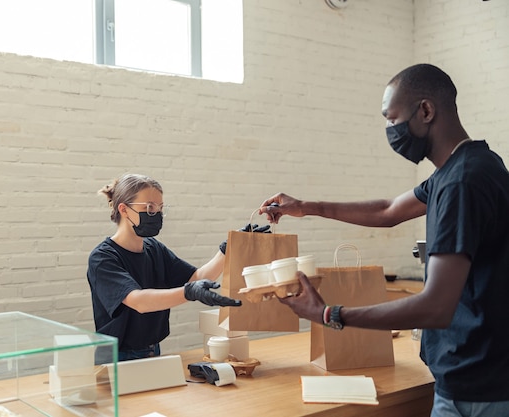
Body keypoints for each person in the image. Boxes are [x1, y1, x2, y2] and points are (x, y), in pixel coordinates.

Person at [259, 64, 509, 417]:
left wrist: (329, 313)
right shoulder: (467, 167)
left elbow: (435, 307)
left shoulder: (461, 183)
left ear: (426, 110)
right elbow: (388, 210)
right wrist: (304, 207)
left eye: (392, 120)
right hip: (477, 378)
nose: (390, 131)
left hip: (476, 390)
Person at [87, 173, 265, 362]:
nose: (156, 214)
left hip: (152, 350)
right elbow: (139, 301)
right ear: (123, 209)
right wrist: (188, 293)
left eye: (160, 208)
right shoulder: (103, 259)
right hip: (117, 357)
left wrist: (227, 249)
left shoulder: (154, 249)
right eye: (149, 207)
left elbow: (196, 278)